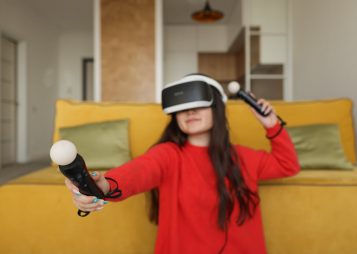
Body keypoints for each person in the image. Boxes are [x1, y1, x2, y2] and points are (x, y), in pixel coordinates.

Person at [65, 74, 300, 254]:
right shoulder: (168, 155)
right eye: (182, 108)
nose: (190, 111)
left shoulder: (244, 158)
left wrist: (272, 124)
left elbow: (288, 165)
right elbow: (138, 172)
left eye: (198, 103)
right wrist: (102, 186)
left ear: (217, 108)